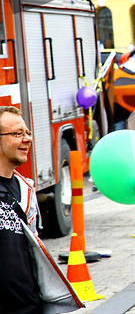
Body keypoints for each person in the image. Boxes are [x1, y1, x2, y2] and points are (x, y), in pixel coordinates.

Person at [0, 106, 81, 313]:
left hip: (30, 306)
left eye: (27, 132)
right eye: (17, 134)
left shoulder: (26, 189)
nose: (27, 139)